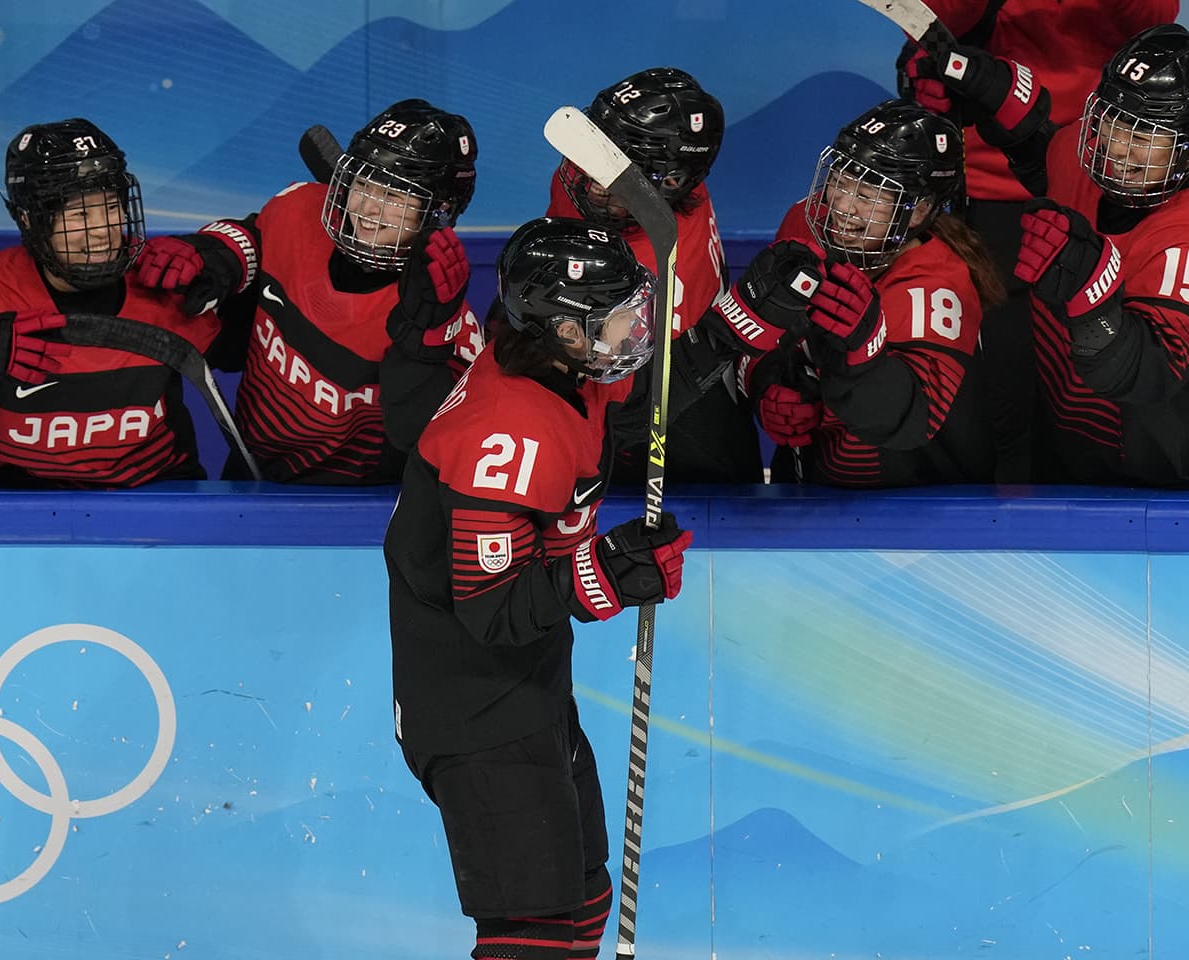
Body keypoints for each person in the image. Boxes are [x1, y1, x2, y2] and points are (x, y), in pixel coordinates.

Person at [384, 217, 695, 960]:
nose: (632, 329)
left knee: (581, 901)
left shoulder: (560, 375)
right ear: (559, 330)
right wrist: (609, 573)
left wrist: (737, 336)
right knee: (536, 934)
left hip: (529, 693)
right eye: (614, 316)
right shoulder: (509, 431)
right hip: (476, 713)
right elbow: (491, 611)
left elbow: (636, 414)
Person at [906, 23, 1189, 487]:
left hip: (1181, 492)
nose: (1116, 147)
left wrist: (1092, 296)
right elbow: (1050, 160)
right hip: (1072, 474)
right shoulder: (1090, 152)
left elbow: (1148, 374)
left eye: (1141, 135)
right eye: (1113, 120)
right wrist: (993, 95)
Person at [897, 0, 1181, 481]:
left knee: (1096, 382)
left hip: (1110, 169)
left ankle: (1085, 534)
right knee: (1004, 395)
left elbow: (1155, 17)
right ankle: (1010, 540)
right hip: (993, 180)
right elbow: (932, 19)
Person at [135, 99, 484, 483]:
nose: (368, 208)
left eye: (394, 197)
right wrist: (211, 255)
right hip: (251, 480)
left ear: (438, 210)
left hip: (360, 508)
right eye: (364, 185)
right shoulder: (301, 208)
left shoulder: (450, 324)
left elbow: (426, 444)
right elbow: (255, 238)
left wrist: (425, 343)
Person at [0, 118, 218, 488]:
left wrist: (216, 264)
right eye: (80, 214)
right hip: (18, 516)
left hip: (162, 510)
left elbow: (246, 349)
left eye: (111, 207)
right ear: (31, 220)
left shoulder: (165, 276)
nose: (102, 229)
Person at [746, 98, 1001, 486]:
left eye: (868, 196)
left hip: (921, 511)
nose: (843, 208)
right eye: (840, 183)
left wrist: (862, 358)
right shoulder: (807, 220)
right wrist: (770, 387)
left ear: (917, 211)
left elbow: (908, 424)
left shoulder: (938, 287)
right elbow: (762, 330)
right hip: (814, 488)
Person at [544, 66, 764, 484]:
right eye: (597, 148)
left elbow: (624, 397)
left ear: (670, 182)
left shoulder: (649, 268)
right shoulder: (624, 189)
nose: (591, 179)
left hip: (682, 415)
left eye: (614, 169)